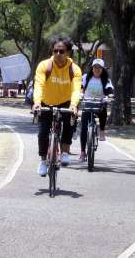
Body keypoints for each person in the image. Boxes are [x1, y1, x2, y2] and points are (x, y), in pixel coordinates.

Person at [33, 35, 82, 176]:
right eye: (55, 51)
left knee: (69, 123)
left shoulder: (75, 69)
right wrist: (37, 102)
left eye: (62, 51)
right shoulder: (44, 66)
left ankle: (65, 152)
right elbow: (39, 84)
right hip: (46, 102)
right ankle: (43, 161)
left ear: (68, 52)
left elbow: (76, 89)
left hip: (66, 101)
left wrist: (73, 105)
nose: (58, 54)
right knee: (42, 133)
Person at [79, 58, 114, 162]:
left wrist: (110, 96)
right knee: (84, 128)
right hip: (87, 103)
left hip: (99, 103)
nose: (97, 69)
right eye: (95, 67)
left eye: (99, 67)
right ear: (92, 68)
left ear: (102, 69)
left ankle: (102, 131)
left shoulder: (106, 80)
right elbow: (80, 86)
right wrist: (80, 93)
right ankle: (82, 152)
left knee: (103, 109)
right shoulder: (86, 77)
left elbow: (109, 89)